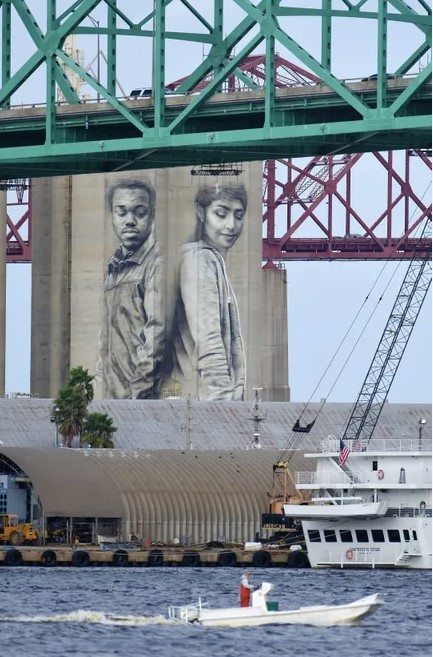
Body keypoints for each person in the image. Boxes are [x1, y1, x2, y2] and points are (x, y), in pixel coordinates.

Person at [172, 183, 247, 400]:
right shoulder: (200, 260)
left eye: (239, 215)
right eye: (221, 214)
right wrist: (223, 404)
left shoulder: (210, 259)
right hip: (203, 400)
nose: (231, 225)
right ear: (201, 212)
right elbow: (208, 340)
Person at [96, 178, 168, 399]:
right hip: (111, 400)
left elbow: (157, 334)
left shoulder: (157, 263)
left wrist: (136, 394)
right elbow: (104, 341)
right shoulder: (113, 268)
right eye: (121, 212)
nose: (130, 221)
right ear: (111, 216)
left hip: (138, 402)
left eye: (139, 212)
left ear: (152, 215)